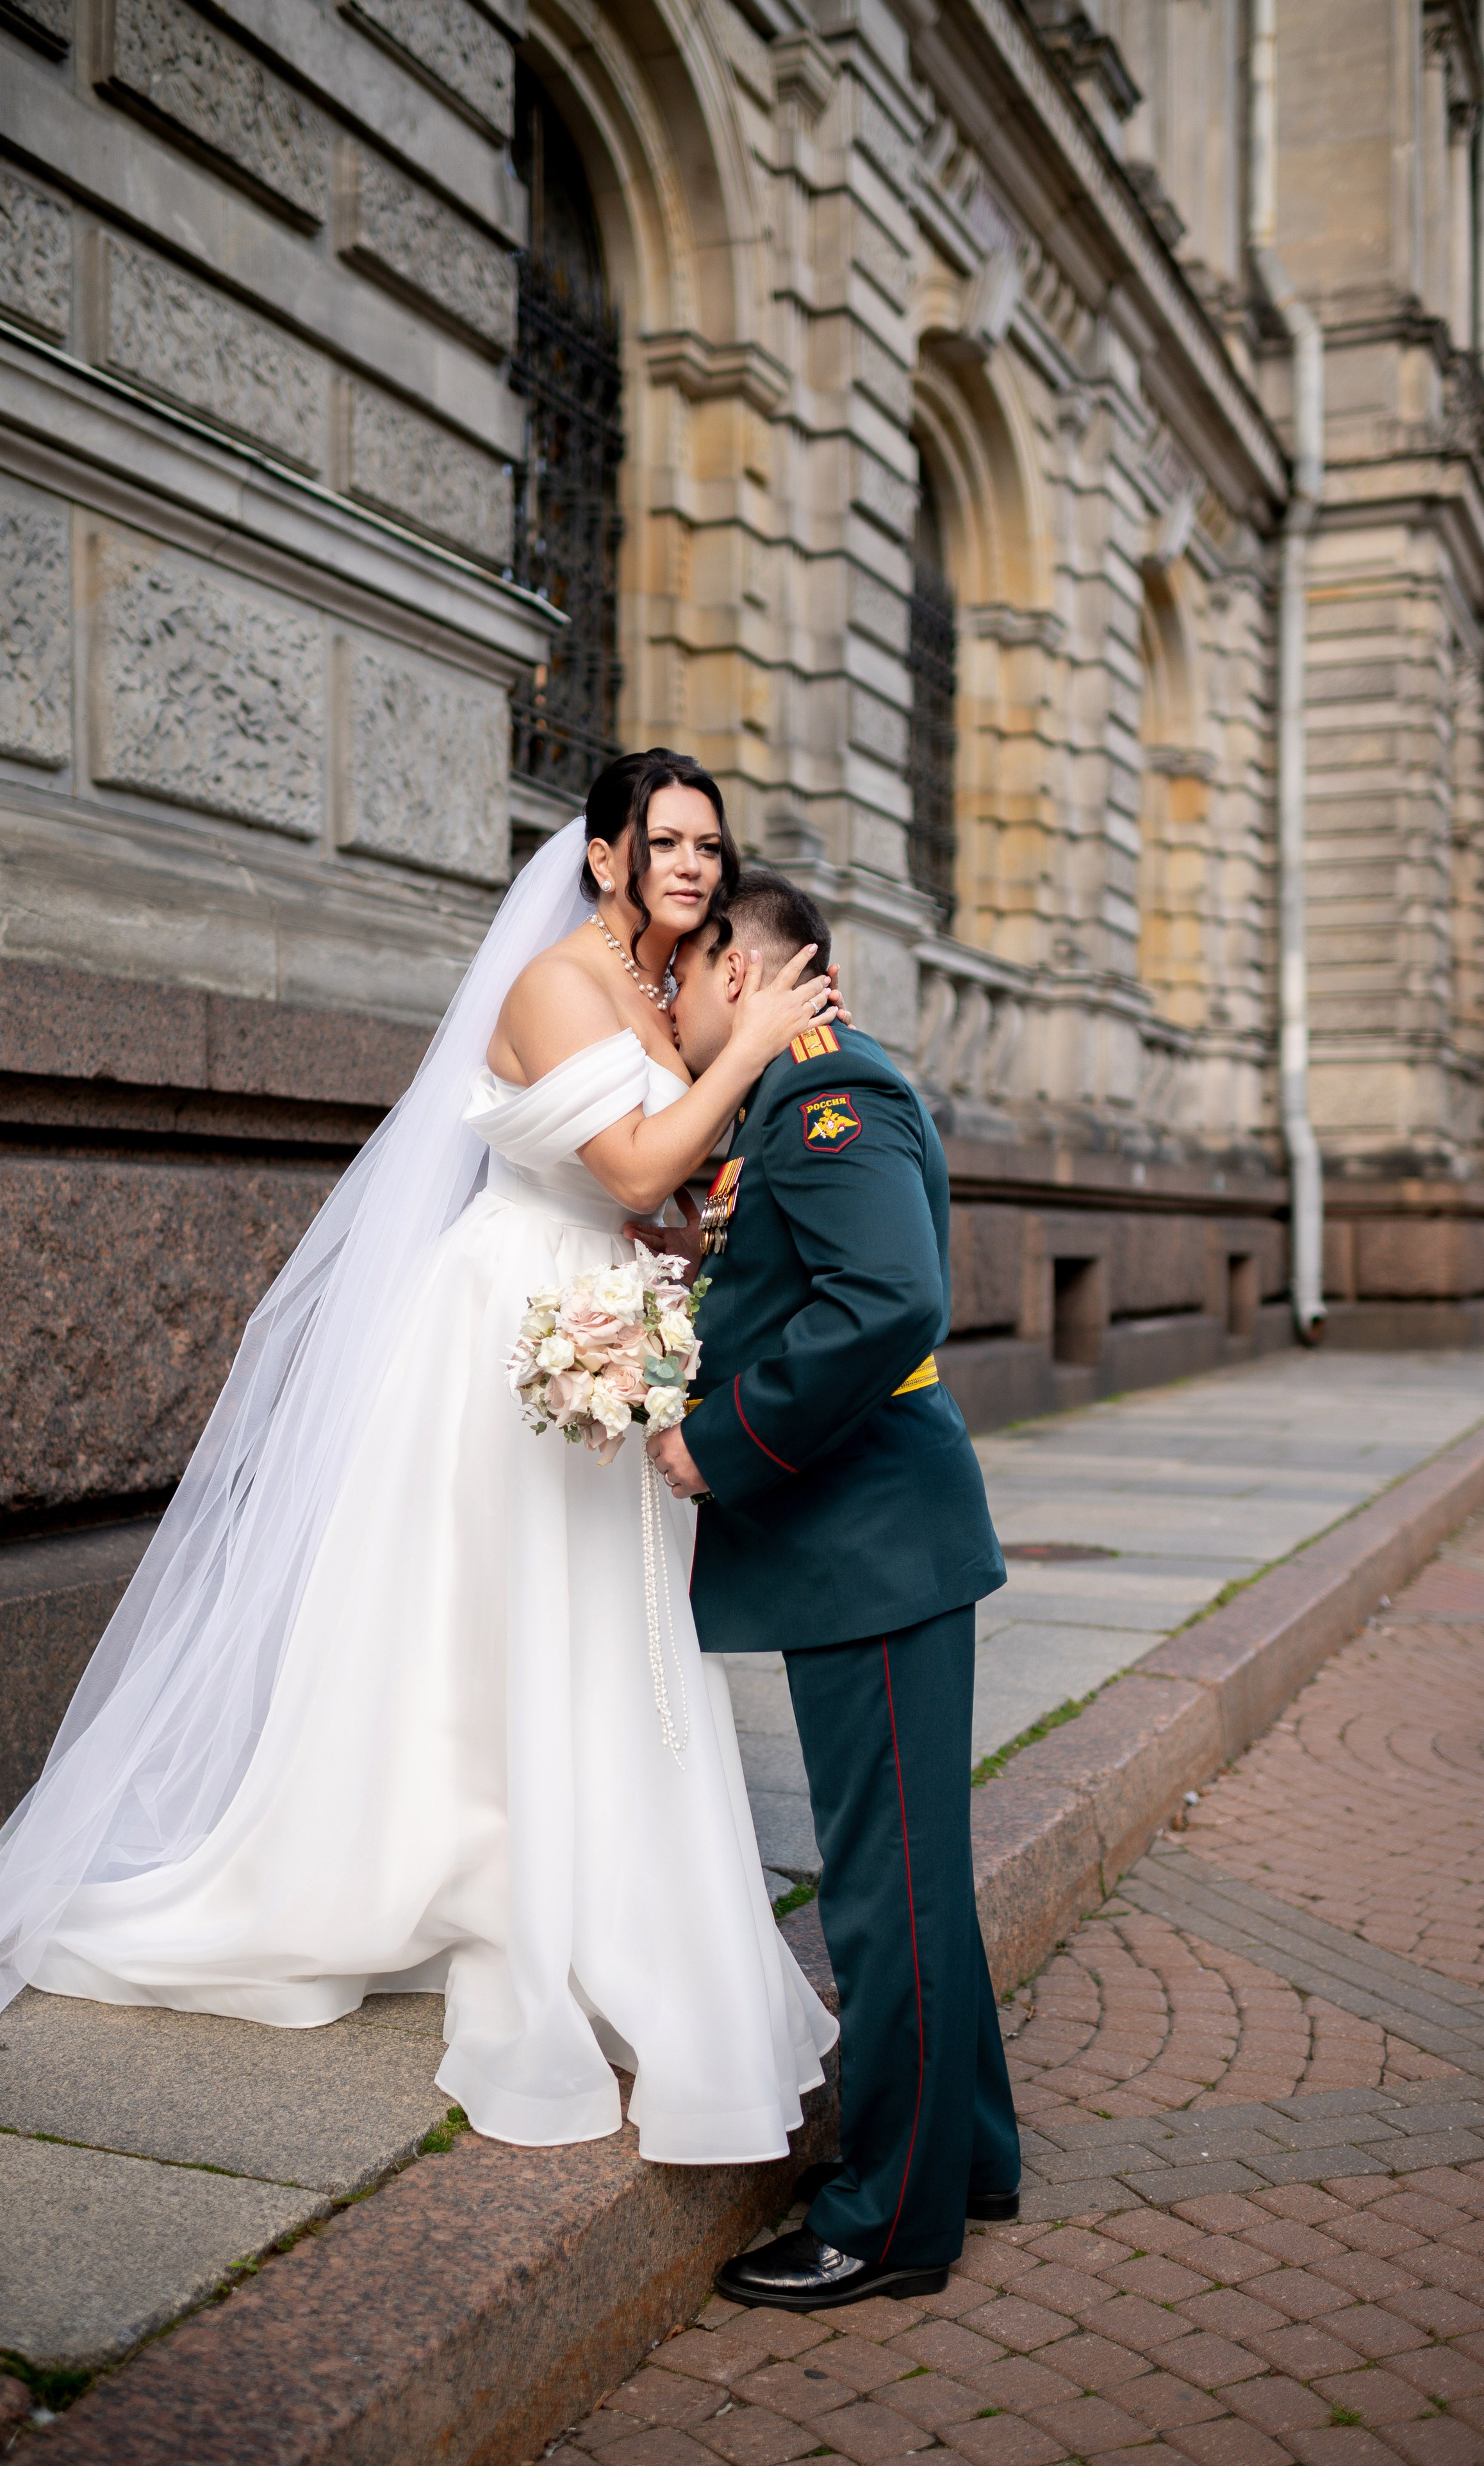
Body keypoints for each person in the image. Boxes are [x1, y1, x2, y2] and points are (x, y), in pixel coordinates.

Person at [0, 754, 841, 2169]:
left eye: (709, 848)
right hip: (507, 1331)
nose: (688, 866)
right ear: (601, 856)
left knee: (600, 1619)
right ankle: (451, 1870)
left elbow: (671, 1197)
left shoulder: (666, 994)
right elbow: (626, 1169)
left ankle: (574, 1869)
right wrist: (747, 1048)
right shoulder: (556, 982)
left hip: (600, 1317)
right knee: (484, 1606)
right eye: (661, 842)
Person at [647, 870, 1021, 2303]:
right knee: (911, 1876)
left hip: (867, 1541)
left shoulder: (821, 1094)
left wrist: (718, 1443)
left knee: (884, 1895)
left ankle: (883, 2218)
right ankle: (962, 2159)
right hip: (870, 1538)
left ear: (741, 972)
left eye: (683, 972)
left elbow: (888, 1301)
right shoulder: (795, 1095)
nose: (667, 999)